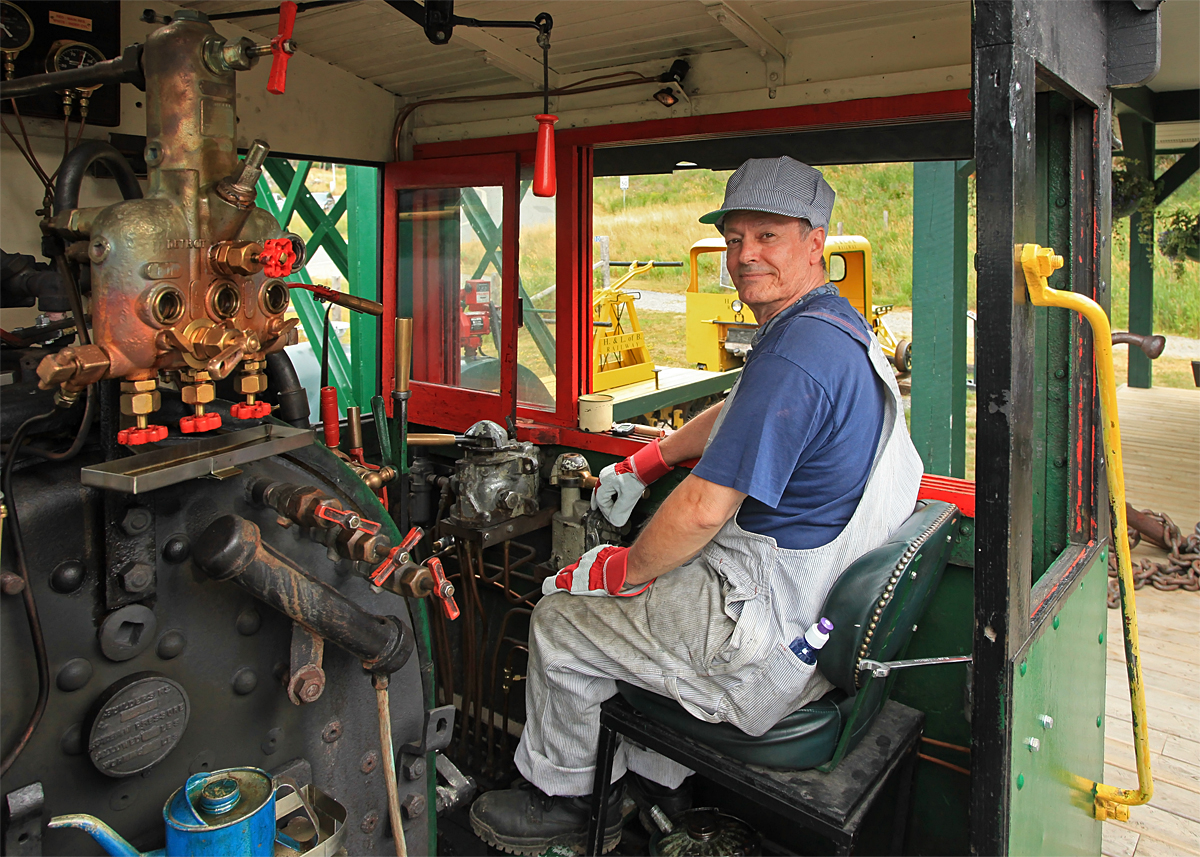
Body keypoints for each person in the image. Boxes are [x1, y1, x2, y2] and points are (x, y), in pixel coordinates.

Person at [469, 156, 923, 855]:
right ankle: (657, 786)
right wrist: (652, 456)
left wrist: (622, 571)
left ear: (815, 241)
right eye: (735, 237)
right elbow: (742, 409)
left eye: (767, 236)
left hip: (768, 651)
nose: (745, 256)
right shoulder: (833, 326)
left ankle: (564, 797)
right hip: (809, 622)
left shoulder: (796, 352)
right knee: (633, 597)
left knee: (563, 615)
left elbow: (706, 509)